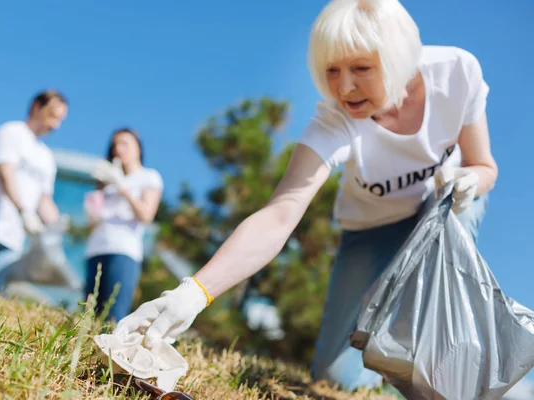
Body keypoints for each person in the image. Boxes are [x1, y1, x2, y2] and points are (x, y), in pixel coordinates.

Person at [108, 0, 497, 392]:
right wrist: (193, 293)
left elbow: (485, 167)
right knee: (335, 379)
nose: (344, 87)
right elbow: (280, 214)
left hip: (441, 212)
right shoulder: (334, 121)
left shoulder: (456, 73)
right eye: (332, 70)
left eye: (361, 68)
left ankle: (434, 363)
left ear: (398, 58)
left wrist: (469, 181)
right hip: (371, 226)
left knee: (457, 217)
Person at [0, 90, 68, 292]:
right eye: (53, 116)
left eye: (60, 120)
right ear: (36, 107)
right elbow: (5, 175)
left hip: (13, 239)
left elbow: (44, 201)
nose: (55, 125)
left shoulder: (46, 157)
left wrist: (55, 226)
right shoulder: (11, 132)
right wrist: (24, 211)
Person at [83, 128, 163, 322]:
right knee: (88, 313)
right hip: (96, 248)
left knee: (113, 314)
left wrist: (123, 188)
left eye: (124, 143)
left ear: (138, 148)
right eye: (115, 145)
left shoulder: (148, 177)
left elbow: (146, 215)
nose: (118, 149)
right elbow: (93, 222)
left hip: (123, 250)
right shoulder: (107, 181)